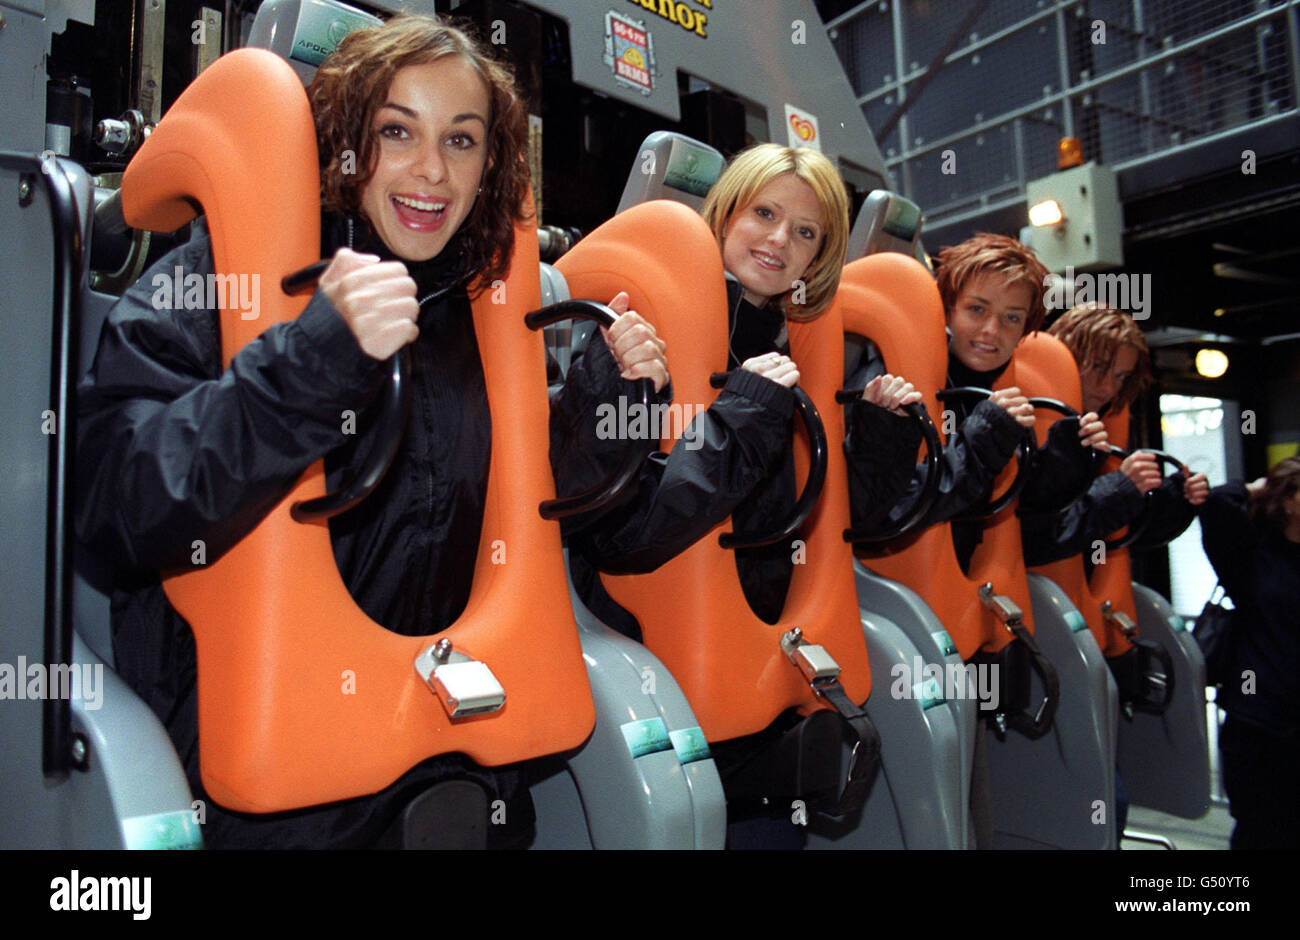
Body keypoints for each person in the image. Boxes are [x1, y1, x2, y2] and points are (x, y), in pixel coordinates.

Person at [75, 13, 666, 849]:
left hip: (455, 776)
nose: (431, 171)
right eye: (398, 131)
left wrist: (614, 400)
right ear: (347, 139)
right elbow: (112, 503)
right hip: (282, 799)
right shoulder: (225, 276)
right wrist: (310, 360)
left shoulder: (484, 318)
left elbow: (533, 510)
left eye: (461, 142)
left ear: (490, 162)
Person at [567, 143, 923, 630]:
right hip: (644, 633)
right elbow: (617, 534)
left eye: (805, 232)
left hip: (758, 638)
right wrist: (742, 418)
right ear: (726, 213)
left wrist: (884, 433)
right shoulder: (641, 334)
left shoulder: (801, 367)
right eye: (764, 212)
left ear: (817, 259)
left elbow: (842, 523)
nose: (779, 239)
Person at [852, 233, 1111, 567]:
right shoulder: (890, 380)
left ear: (1025, 329)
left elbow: (1028, 524)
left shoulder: (1005, 404)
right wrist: (987, 438)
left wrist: (1070, 456)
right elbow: (886, 509)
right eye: (977, 309)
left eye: (1012, 317)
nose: (992, 329)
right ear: (947, 310)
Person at [1019, 302, 1209, 567]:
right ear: (1065, 356)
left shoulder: (1107, 426)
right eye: (1097, 368)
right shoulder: (1021, 420)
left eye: (1120, 376)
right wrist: (1121, 488)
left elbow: (1115, 536)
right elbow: (1034, 540)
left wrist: (1175, 499)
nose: (1107, 387)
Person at [1200, 458, 1300, 849]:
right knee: (1260, 830)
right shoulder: (1254, 553)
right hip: (1258, 721)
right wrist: (1257, 488)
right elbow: (1216, 505)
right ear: (1288, 500)